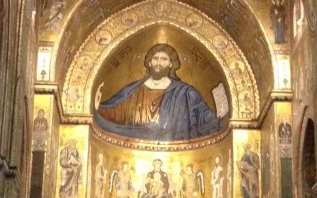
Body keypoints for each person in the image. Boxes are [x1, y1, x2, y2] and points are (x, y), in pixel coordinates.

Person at [94, 43, 225, 141]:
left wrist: (222, 112)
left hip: (177, 150)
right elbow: (115, 112)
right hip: (133, 141)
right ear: (149, 63)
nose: (158, 63)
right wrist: (97, 107)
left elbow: (204, 118)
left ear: (170, 64)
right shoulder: (133, 89)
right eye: (155, 58)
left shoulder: (185, 92)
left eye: (164, 59)